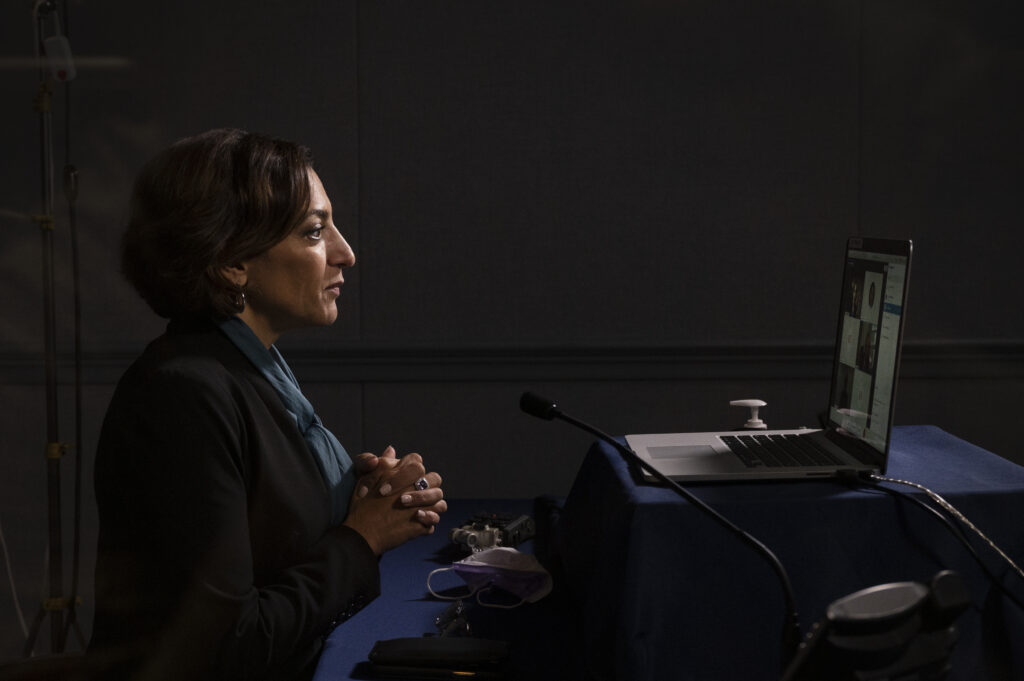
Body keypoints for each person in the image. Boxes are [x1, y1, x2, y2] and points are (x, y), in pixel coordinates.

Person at [88, 128, 447, 681]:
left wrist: (367, 495)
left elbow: (270, 520)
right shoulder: (183, 395)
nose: (345, 253)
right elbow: (226, 645)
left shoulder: (244, 364)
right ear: (232, 261)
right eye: (313, 232)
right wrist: (363, 537)